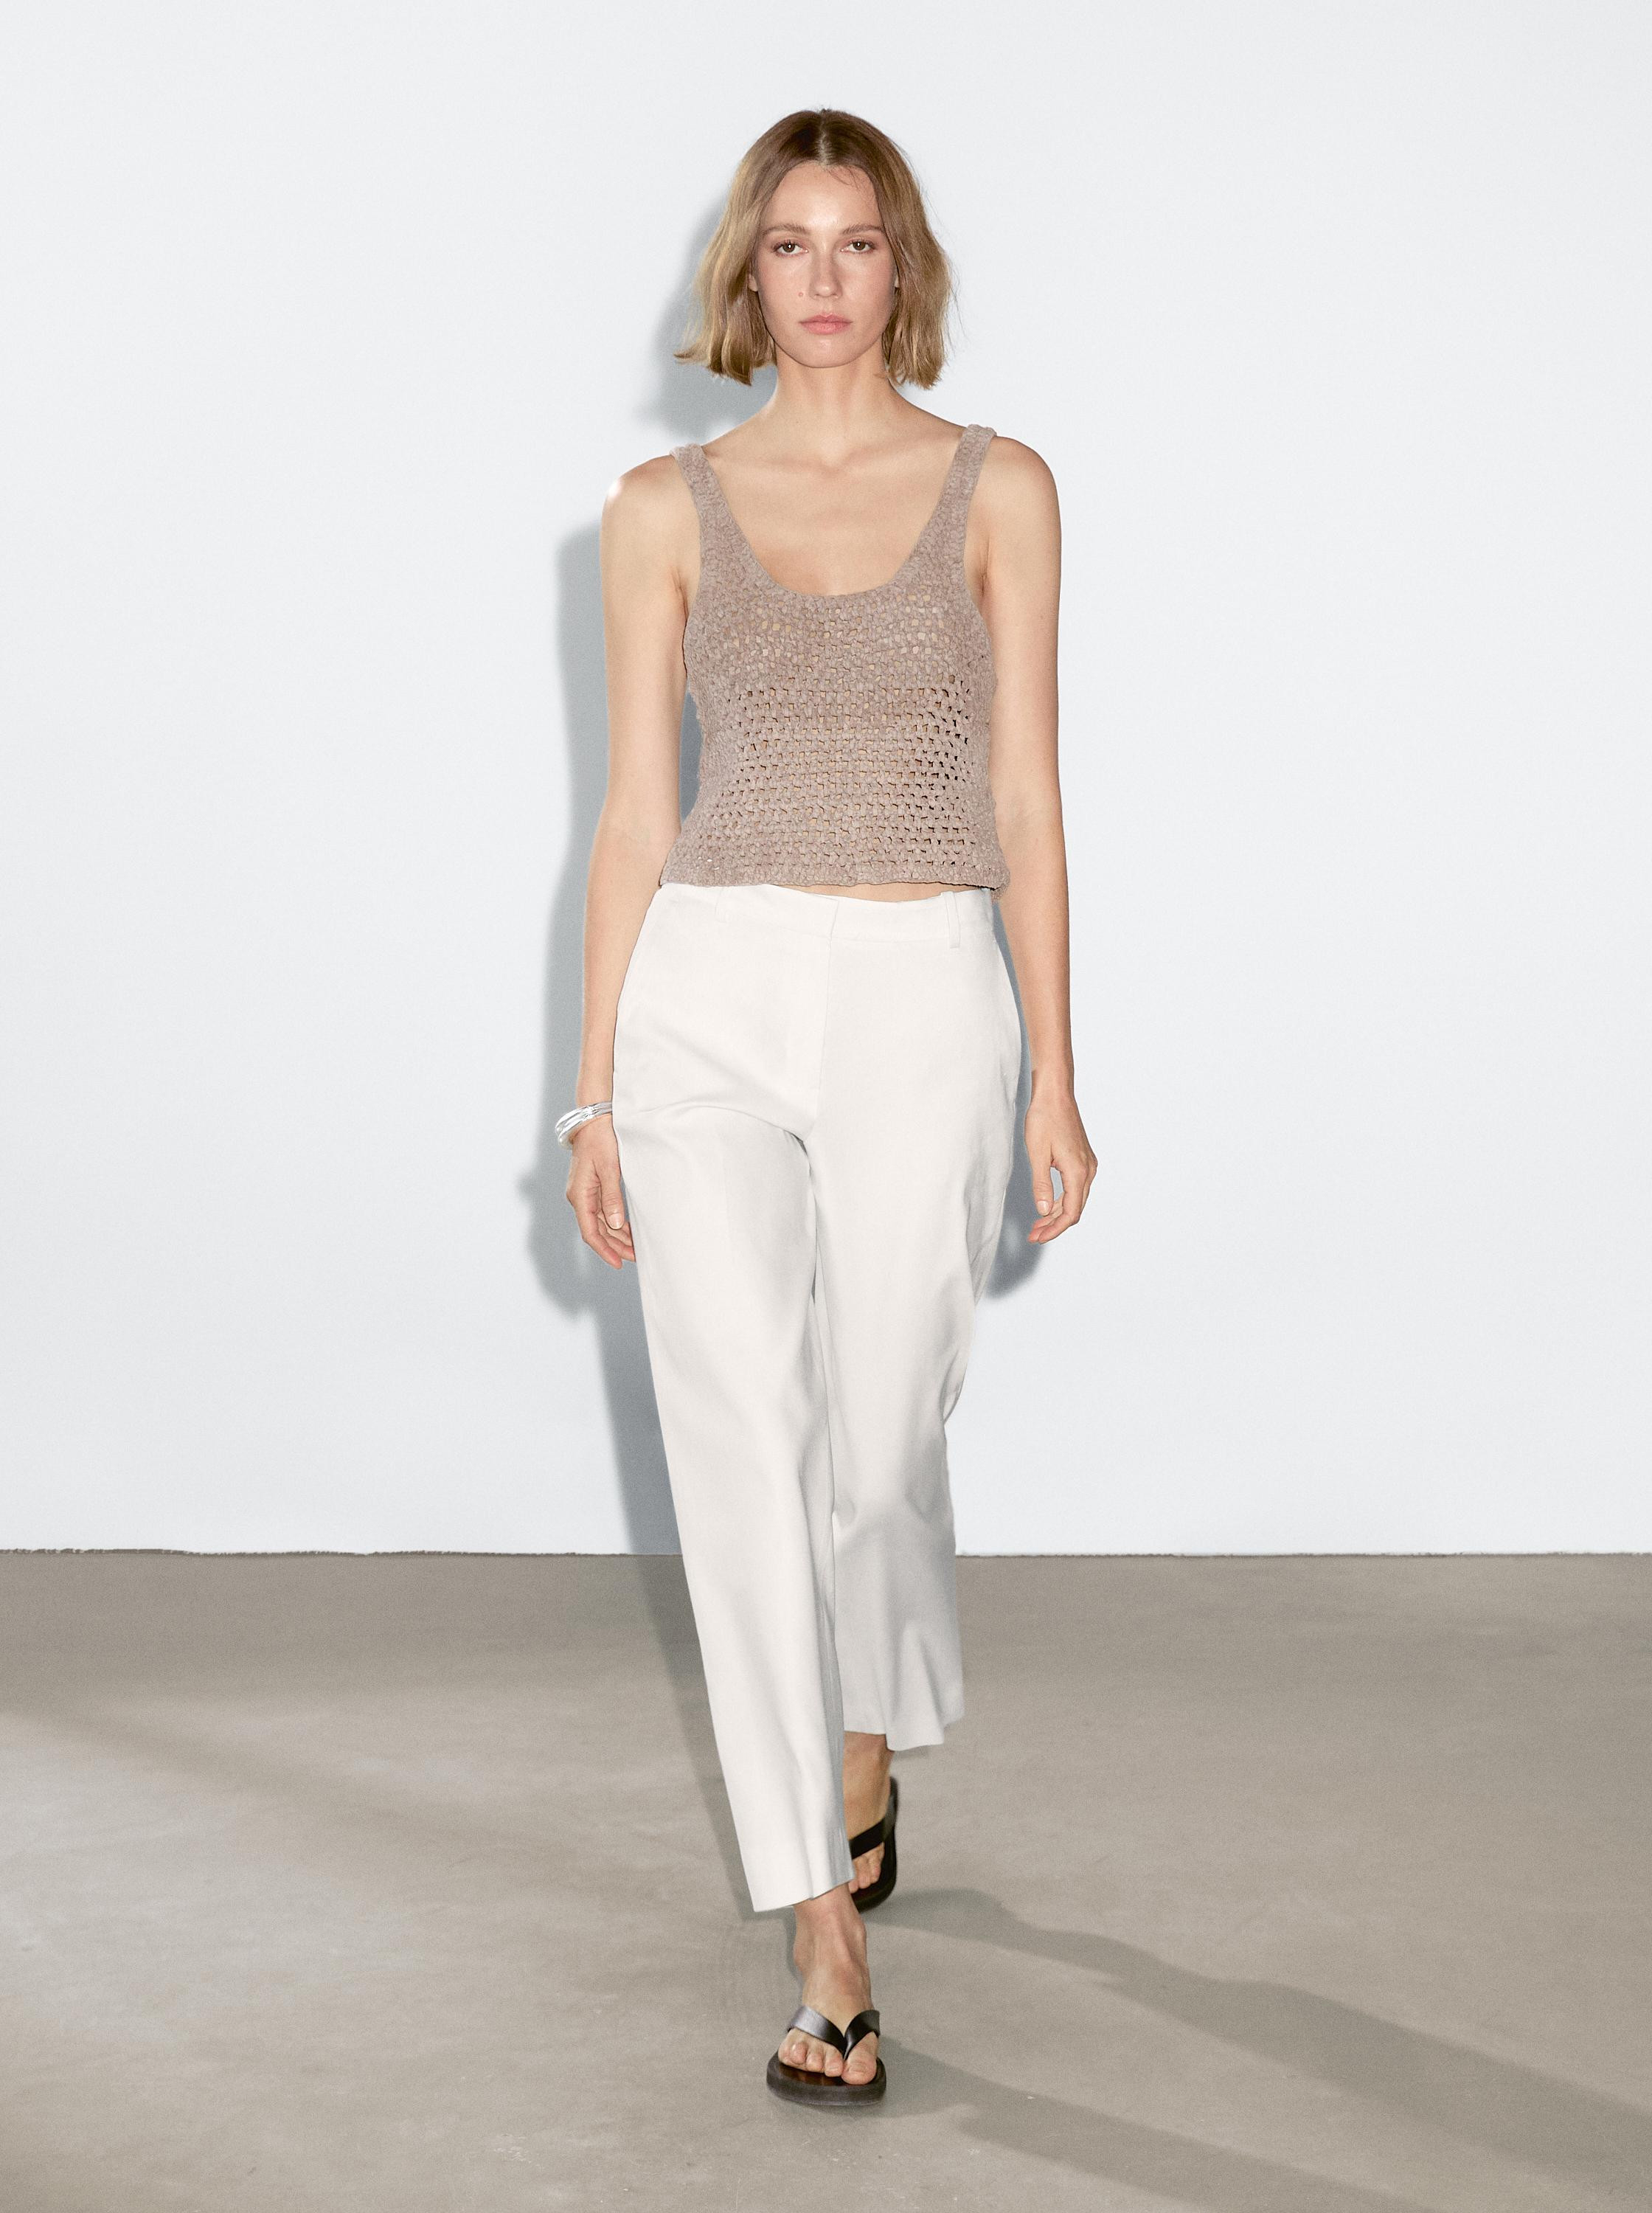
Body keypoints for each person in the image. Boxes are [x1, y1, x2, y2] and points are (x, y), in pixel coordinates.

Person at [558, 107, 1094, 2105]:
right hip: (707, 996)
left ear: (900, 268)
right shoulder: (658, 511)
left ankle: (872, 1728)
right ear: (748, 275)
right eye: (788, 244)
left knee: (880, 1438)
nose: (823, 279)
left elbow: (1027, 797)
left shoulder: (1000, 488)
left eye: (856, 242)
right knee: (733, 1442)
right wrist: (590, 1092)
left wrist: (1057, 1070)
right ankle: (823, 1929)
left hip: (921, 989)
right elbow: (634, 816)